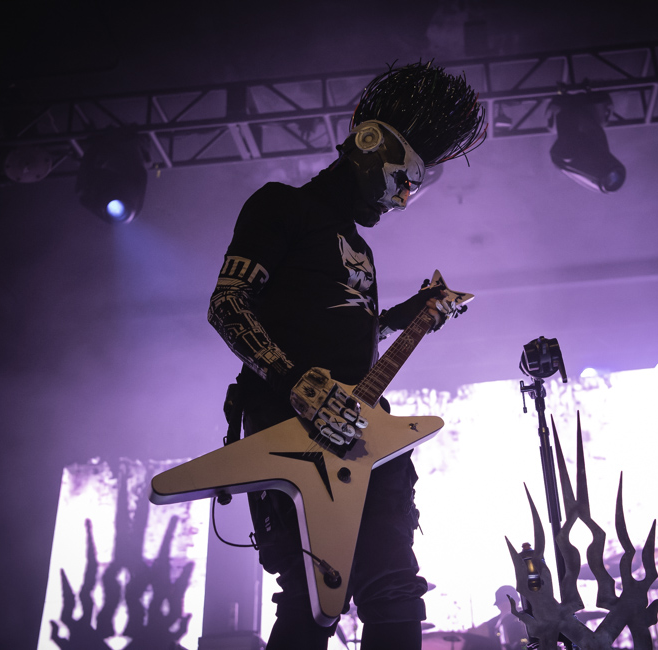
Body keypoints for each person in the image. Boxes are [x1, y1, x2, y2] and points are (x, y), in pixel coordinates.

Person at [207, 62, 486, 650]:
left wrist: (407, 316)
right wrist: (294, 383)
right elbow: (229, 304)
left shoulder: (357, 246)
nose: (406, 200)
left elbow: (340, 336)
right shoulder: (282, 205)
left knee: (393, 588)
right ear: (371, 146)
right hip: (290, 434)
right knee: (314, 597)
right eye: (406, 180)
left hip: (365, 434)